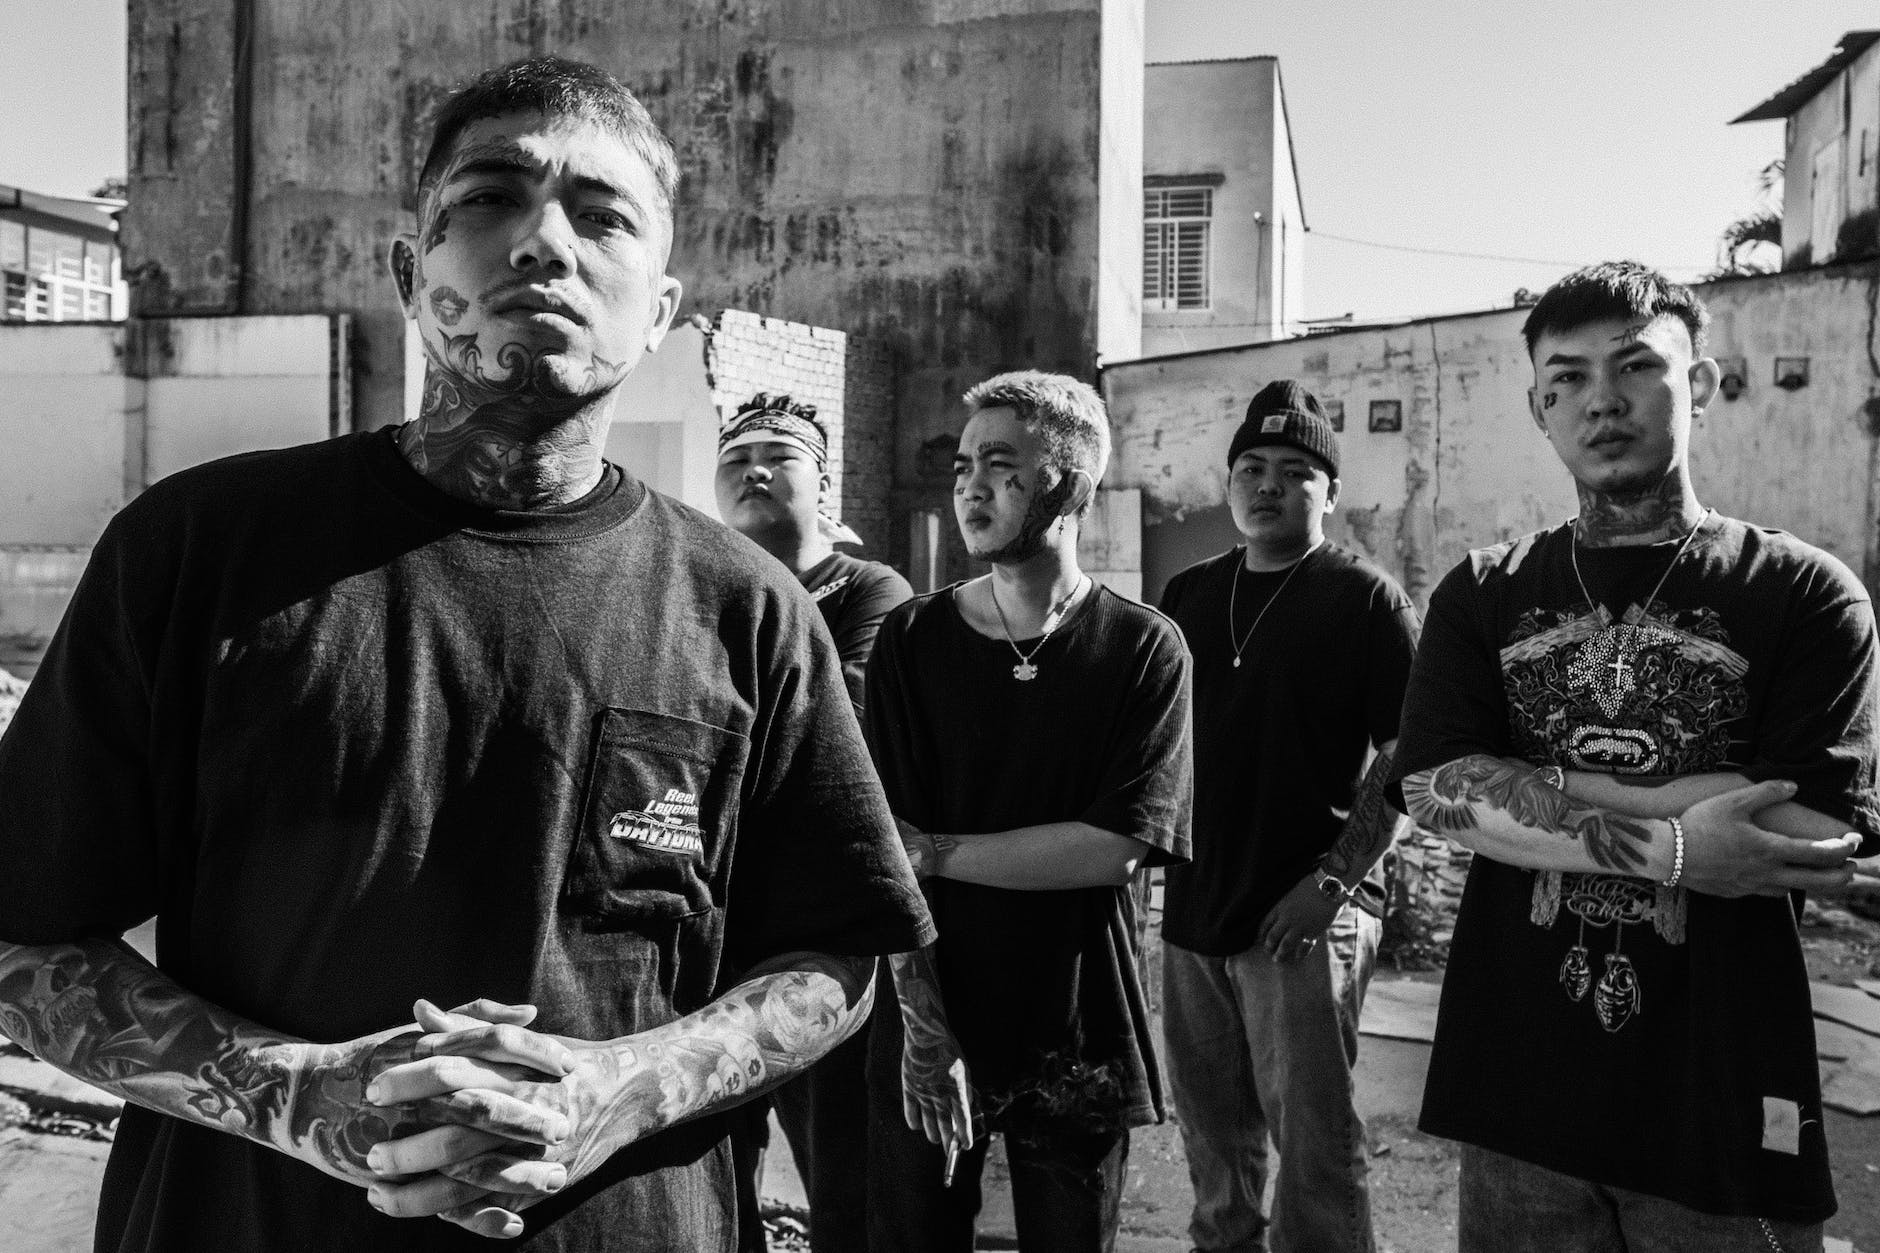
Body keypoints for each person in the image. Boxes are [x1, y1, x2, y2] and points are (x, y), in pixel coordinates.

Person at [0, 56, 933, 1253]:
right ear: (409, 272)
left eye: (602, 216)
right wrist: (291, 1092)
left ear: (660, 309)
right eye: (490, 197)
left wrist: (615, 1087)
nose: (543, 243)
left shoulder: (749, 610)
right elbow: (24, 938)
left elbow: (833, 960)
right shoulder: (198, 552)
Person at [1392, 261, 1877, 1252]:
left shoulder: (1804, 591)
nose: (1600, 400)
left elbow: (1815, 825)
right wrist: (1681, 843)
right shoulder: (1482, 590)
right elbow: (1435, 789)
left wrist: (1534, 782)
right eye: (1565, 377)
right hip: (1518, 1097)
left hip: (1720, 1102)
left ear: (1696, 384)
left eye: (1634, 366)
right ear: (1538, 408)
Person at [862, 370, 1193, 1253]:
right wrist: (926, 1030)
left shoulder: (1143, 647)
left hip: (1076, 1026)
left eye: (1000, 464)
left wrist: (936, 850)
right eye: (963, 464)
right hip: (932, 1004)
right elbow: (883, 855)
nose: (970, 486)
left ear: (1070, 485)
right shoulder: (911, 639)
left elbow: (1114, 846)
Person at [1156, 380, 1417, 1253]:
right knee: (1214, 1149)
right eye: (1252, 467)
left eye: (1296, 471)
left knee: (1315, 1153)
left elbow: (1408, 758)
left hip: (1305, 918)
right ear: (1229, 482)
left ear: (1329, 492)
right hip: (1196, 909)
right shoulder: (1188, 593)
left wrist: (1332, 884)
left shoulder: (1367, 599)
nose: (1269, 484)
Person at [711, 392, 912, 1252]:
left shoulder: (871, 591)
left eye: (779, 456)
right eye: (736, 457)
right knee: (718, 1167)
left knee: (843, 1170)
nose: (754, 470)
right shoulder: (707, 582)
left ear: (823, 485)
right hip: (719, 916)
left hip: (822, 930)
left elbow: (838, 733)